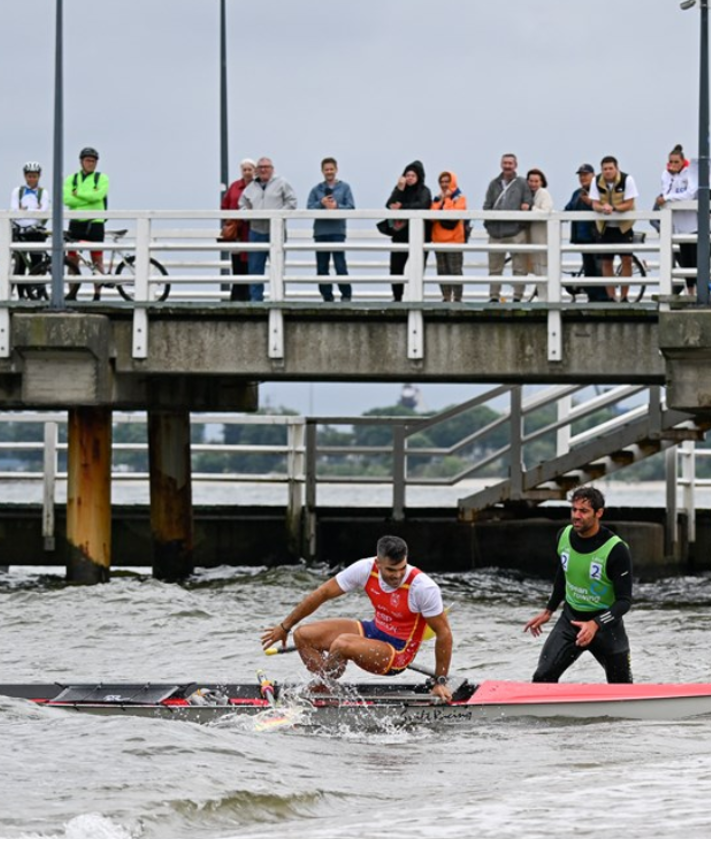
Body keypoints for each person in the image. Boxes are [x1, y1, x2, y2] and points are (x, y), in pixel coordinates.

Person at [261, 534, 454, 702]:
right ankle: (326, 687)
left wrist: (440, 682)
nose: (397, 576)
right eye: (391, 570)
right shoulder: (365, 568)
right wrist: (285, 627)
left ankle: (321, 686)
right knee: (303, 635)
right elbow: (322, 593)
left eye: (402, 568)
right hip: (374, 631)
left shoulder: (423, 588)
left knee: (342, 643)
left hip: (398, 653)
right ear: (378, 564)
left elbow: (444, 633)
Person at [524, 487, 633, 684]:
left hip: (606, 627)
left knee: (623, 688)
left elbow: (624, 602)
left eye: (583, 511)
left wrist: (595, 624)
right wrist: (549, 610)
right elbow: (563, 574)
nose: (576, 516)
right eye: (574, 510)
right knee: (542, 677)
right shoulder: (563, 536)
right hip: (571, 621)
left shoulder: (616, 549)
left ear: (598, 513)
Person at [238, 157, 297, 301]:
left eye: (266, 167)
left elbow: (292, 202)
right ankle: (256, 300)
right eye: (261, 167)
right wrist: (250, 215)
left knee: (277, 267)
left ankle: (278, 298)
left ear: (272, 169)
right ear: (257, 170)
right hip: (256, 231)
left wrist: (278, 216)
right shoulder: (250, 187)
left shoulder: (282, 183)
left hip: (276, 231)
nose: (263, 170)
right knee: (255, 268)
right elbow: (241, 205)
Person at [588, 155, 639, 303]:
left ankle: (624, 296)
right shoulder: (596, 181)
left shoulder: (627, 179)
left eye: (611, 168)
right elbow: (594, 204)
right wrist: (602, 207)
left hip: (624, 226)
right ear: (601, 170)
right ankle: (611, 297)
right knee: (606, 261)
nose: (608, 171)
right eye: (605, 169)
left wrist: (614, 208)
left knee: (627, 260)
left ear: (617, 168)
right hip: (605, 227)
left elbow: (629, 203)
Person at [483, 153, 533, 303]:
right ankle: (493, 297)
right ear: (501, 164)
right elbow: (487, 205)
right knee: (494, 267)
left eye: (510, 163)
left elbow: (527, 201)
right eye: (505, 163)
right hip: (496, 232)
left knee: (519, 267)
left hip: (516, 231)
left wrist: (522, 218)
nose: (507, 166)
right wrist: (489, 225)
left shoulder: (522, 183)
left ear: (515, 165)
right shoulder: (494, 184)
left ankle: (517, 297)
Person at [63, 147, 109, 301]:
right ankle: (72, 294)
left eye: (93, 161)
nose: (91, 163)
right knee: (72, 260)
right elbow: (66, 199)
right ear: (81, 162)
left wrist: (79, 195)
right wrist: (88, 198)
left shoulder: (101, 178)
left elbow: (99, 196)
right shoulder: (72, 179)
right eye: (88, 160)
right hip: (76, 223)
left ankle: (97, 295)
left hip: (95, 223)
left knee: (97, 260)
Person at [306, 157, 356, 302]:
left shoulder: (345, 187)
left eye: (331, 169)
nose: (329, 172)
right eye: (326, 169)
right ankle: (327, 296)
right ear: (322, 171)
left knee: (340, 265)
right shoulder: (316, 190)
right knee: (322, 267)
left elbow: (351, 207)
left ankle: (346, 295)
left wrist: (337, 207)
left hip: (337, 231)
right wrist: (321, 203)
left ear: (336, 169)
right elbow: (309, 208)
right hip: (320, 232)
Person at [383, 161, 432, 302]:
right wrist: (399, 189)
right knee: (395, 269)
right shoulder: (400, 189)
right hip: (400, 235)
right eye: (407, 175)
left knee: (417, 270)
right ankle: (397, 297)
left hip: (420, 236)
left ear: (419, 177)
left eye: (413, 175)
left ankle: (415, 298)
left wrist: (403, 206)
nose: (410, 177)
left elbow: (423, 205)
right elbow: (389, 205)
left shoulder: (424, 190)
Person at [655, 144, 698, 296]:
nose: (673, 165)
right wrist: (667, 196)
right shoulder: (666, 175)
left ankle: (702, 293)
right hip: (678, 227)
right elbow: (664, 193)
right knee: (685, 262)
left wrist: (667, 198)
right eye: (670, 162)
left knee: (697, 261)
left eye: (676, 162)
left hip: (694, 224)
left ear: (683, 161)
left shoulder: (690, 173)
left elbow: (689, 195)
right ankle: (691, 294)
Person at [564, 164, 608, 302]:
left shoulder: (601, 191)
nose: (582, 177)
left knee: (598, 269)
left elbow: (604, 209)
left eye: (585, 174)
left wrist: (590, 202)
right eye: (580, 175)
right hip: (582, 238)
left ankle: (603, 299)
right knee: (589, 269)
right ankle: (592, 298)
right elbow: (568, 209)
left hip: (597, 237)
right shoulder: (577, 193)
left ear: (593, 176)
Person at [10, 161, 51, 299]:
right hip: (20, 231)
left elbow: (44, 211)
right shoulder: (18, 191)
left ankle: (38, 294)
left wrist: (25, 210)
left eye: (34, 176)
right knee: (20, 264)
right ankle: (21, 295)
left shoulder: (43, 192)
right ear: (25, 176)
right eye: (29, 176)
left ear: (39, 176)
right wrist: (35, 209)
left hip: (36, 231)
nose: (31, 178)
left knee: (37, 262)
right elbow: (14, 210)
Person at [221, 158, 256, 301]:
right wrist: (229, 221)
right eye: (245, 169)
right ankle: (236, 298)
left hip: (252, 230)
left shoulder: (258, 186)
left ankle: (250, 297)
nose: (247, 172)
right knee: (237, 265)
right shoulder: (234, 187)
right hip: (237, 231)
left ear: (254, 171)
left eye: (250, 169)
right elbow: (224, 205)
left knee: (252, 265)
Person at [431, 170, 467, 302]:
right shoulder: (436, 198)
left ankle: (457, 298)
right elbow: (431, 216)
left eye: (447, 181)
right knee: (442, 271)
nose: (444, 184)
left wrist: (446, 199)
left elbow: (452, 216)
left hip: (454, 240)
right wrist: (441, 200)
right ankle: (446, 297)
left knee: (455, 270)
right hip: (438, 239)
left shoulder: (460, 198)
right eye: (442, 182)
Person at [526, 168, 554, 301]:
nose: (533, 184)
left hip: (542, 237)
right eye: (531, 181)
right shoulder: (530, 195)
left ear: (542, 182)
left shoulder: (543, 193)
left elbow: (546, 211)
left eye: (536, 181)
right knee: (538, 269)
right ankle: (542, 297)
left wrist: (530, 209)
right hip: (534, 238)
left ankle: (545, 298)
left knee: (543, 269)